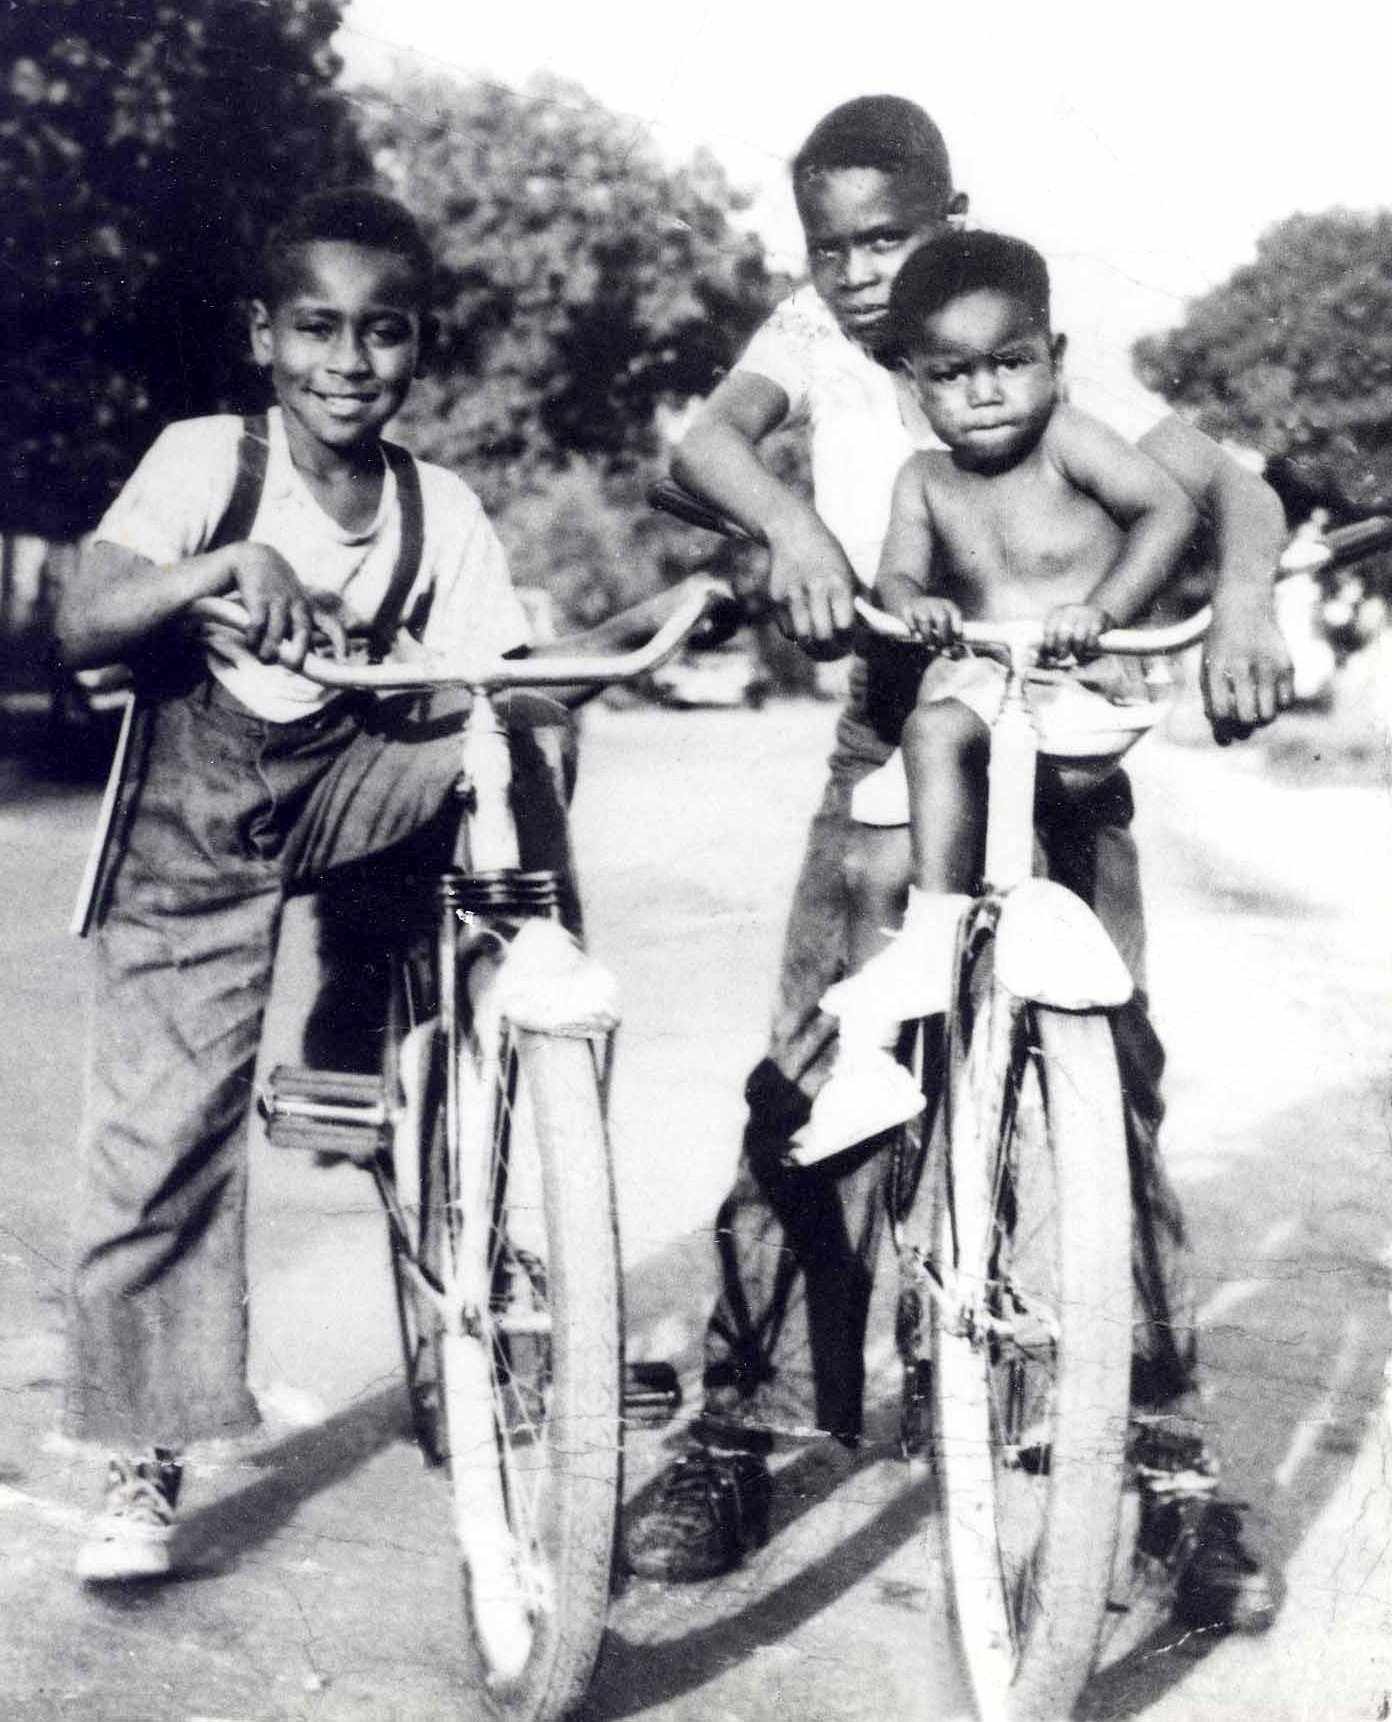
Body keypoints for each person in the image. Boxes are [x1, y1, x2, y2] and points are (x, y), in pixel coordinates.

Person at [624, 96, 1289, 1634]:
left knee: (1103, 1070)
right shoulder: (812, 331)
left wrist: (1244, 602)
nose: (866, 277)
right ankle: (760, 1413)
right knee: (832, 1051)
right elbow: (703, 442)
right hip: (904, 709)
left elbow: (1224, 478)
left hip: (1060, 713)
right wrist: (787, 522)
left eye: (892, 238)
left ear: (959, 216)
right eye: (836, 246)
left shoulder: (1040, 317)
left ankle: (1155, 1455)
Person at [56, 188, 576, 1583]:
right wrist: (228, 565)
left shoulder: (438, 503)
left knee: (516, 724)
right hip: (196, 804)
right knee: (160, 1130)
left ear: (418, 348)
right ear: (264, 335)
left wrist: (521, 695)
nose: (349, 362)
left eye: (383, 334)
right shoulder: (203, 459)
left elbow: (488, 681)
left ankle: (443, 1007)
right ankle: (142, 1447)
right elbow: (83, 611)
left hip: (354, 782)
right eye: (317, 330)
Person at [795, 228, 1197, 1160]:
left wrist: (1102, 610)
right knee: (876, 854)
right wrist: (918, 602)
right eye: (950, 373)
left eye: (1010, 363)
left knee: (943, 740)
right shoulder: (925, 479)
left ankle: (942, 954)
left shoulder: (1068, 444)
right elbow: (894, 579)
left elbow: (1169, 506)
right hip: (983, 697)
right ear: (910, 382)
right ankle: (866, 1062)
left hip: (1076, 702)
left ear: (1053, 360)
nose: (984, 392)